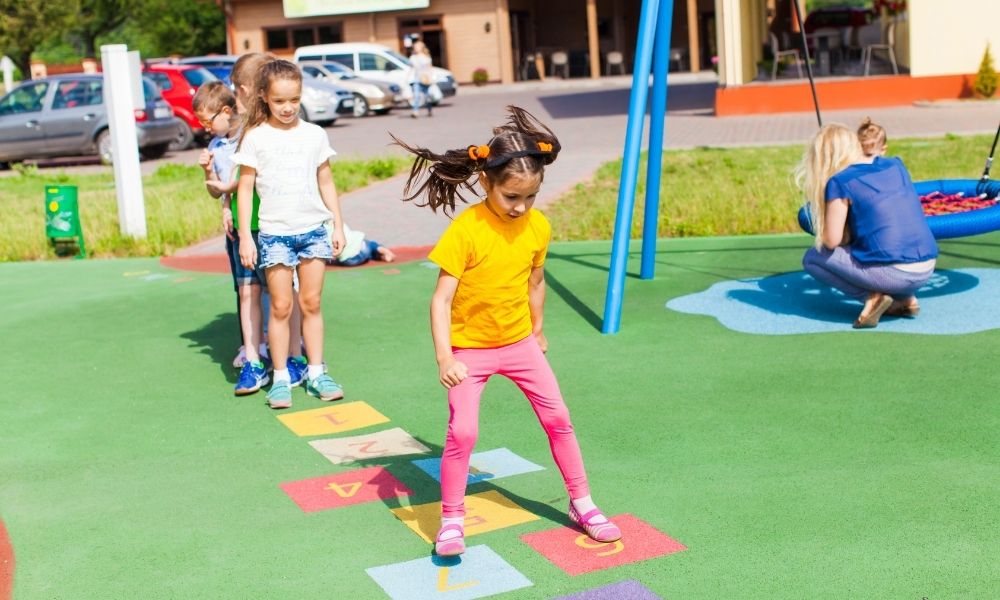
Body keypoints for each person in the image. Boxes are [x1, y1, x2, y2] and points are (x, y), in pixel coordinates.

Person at [393, 106, 621, 557]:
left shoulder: (539, 227)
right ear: (486, 183)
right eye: (511, 197)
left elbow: (535, 281)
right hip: (469, 351)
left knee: (559, 419)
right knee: (463, 434)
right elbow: (440, 300)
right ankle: (453, 518)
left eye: (530, 197)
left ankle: (583, 503)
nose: (520, 207)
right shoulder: (468, 229)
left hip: (519, 345)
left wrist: (538, 330)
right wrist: (445, 357)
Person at [232, 59, 347, 409]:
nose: (287, 107)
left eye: (294, 100)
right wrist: (246, 237)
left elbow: (325, 180)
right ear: (264, 97)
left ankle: (316, 372)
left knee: (311, 303)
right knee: (281, 306)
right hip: (274, 234)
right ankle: (280, 377)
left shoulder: (314, 134)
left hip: (313, 230)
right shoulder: (256, 137)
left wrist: (337, 224)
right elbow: (245, 188)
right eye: (280, 100)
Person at [797, 124, 938, 328]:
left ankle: (871, 298)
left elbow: (831, 240)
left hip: (895, 274)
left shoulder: (840, 181)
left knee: (813, 257)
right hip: (927, 268)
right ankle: (906, 299)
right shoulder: (895, 165)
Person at [193, 80, 271, 395]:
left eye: (207, 121)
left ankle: (279, 342)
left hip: (260, 222)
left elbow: (245, 182)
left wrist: (227, 192)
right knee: (245, 288)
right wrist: (208, 174)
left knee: (272, 284)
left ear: (226, 111)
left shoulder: (248, 138)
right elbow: (218, 190)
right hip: (236, 227)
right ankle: (252, 345)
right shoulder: (215, 147)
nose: (205, 128)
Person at [328, 223, 395, 266]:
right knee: (369, 243)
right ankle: (380, 249)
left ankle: (377, 256)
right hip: (361, 249)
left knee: (366, 253)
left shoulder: (322, 231)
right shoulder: (338, 222)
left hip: (348, 261)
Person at [407, 40, 434, 119]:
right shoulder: (413, 58)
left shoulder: (426, 57)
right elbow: (410, 69)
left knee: (427, 97)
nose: (416, 48)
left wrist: (431, 78)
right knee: (416, 96)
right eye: (415, 47)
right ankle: (415, 112)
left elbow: (430, 68)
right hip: (417, 79)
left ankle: (429, 109)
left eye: (417, 47)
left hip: (426, 80)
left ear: (421, 48)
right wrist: (407, 78)